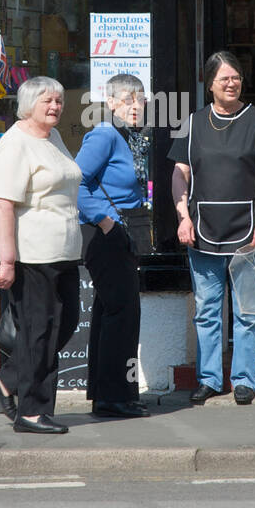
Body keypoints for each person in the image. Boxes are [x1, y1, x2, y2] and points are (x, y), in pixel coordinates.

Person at [169, 51, 255, 405]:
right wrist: (182, 216)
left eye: (236, 77)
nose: (232, 83)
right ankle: (209, 378)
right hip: (203, 230)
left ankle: (244, 379)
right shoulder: (193, 123)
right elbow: (180, 172)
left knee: (248, 309)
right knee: (207, 310)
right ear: (210, 84)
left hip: (250, 229)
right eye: (224, 79)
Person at [0, 76, 82, 434]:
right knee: (39, 331)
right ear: (28, 105)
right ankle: (31, 412)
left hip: (65, 250)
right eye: (47, 101)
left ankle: (9, 378)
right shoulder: (15, 143)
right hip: (34, 253)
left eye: (58, 100)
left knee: (65, 322)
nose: (55, 106)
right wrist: (6, 259)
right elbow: (4, 204)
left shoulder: (52, 137)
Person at [75, 74, 152, 418]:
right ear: (112, 104)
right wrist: (104, 220)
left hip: (123, 232)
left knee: (113, 313)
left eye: (141, 99)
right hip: (105, 234)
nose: (136, 106)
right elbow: (75, 182)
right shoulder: (105, 134)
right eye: (128, 100)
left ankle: (110, 394)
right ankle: (115, 398)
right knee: (121, 313)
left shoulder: (130, 136)